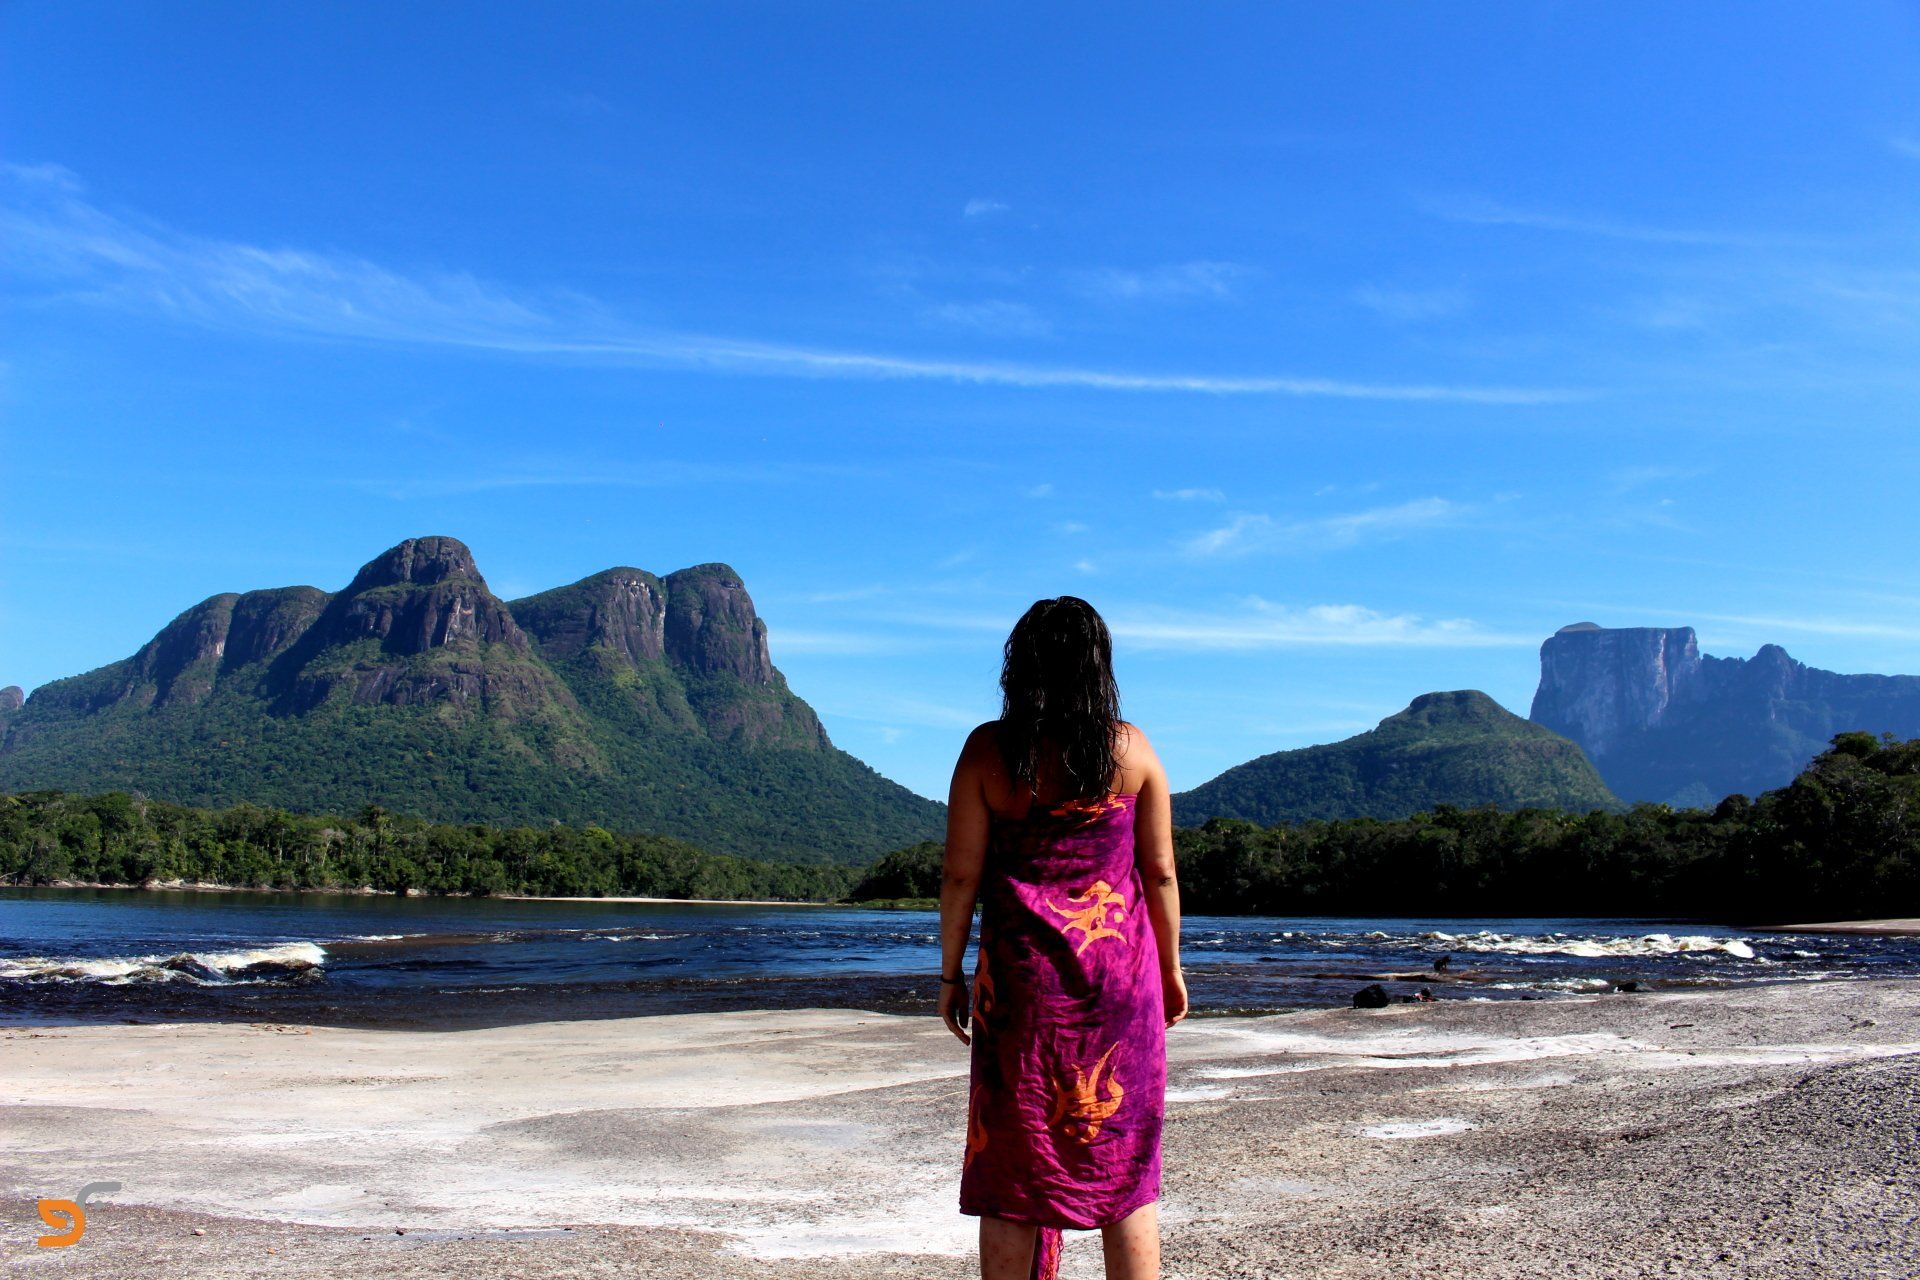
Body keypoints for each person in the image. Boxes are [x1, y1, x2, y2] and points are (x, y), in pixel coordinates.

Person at [938, 595, 1187, 1280]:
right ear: (1098, 665)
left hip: (1020, 989)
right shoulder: (1131, 749)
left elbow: (960, 876)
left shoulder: (989, 751)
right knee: (1124, 1171)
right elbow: (1160, 873)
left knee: (1012, 1168)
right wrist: (1170, 969)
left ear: (1019, 666)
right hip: (1120, 983)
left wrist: (950, 976)